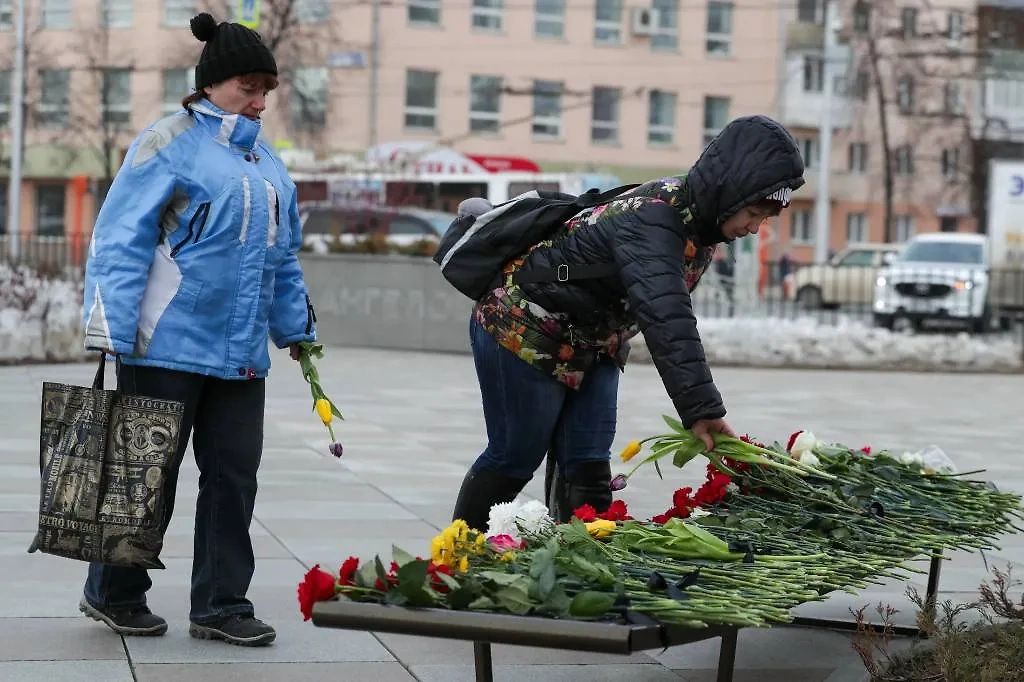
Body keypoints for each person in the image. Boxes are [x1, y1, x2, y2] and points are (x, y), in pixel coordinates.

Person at [78, 12, 316, 647]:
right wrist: (108, 326)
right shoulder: (167, 141)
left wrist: (296, 328)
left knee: (234, 478)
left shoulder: (267, 162)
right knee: (144, 472)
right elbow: (119, 237)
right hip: (165, 343)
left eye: (267, 88)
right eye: (248, 86)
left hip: (240, 355)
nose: (260, 100)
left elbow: (282, 255)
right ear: (211, 83)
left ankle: (221, 604)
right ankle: (115, 593)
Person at [451, 114, 805, 531]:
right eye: (753, 212)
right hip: (524, 324)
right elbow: (666, 315)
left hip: (594, 343)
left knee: (587, 466)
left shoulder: (701, 227)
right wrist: (701, 409)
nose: (754, 227)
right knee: (515, 455)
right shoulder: (655, 219)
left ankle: (577, 573)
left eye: (765, 219)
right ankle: (460, 559)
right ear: (730, 192)